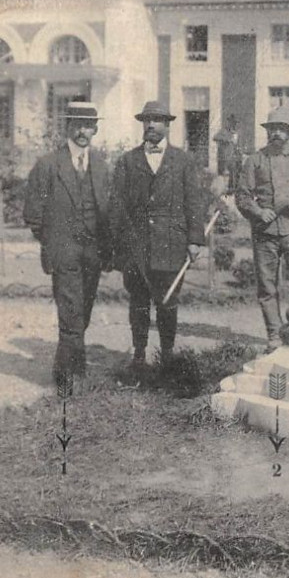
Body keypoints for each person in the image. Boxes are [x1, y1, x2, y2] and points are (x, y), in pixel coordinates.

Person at [110, 100, 207, 376]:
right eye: (147, 120)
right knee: (138, 302)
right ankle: (138, 356)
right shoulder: (127, 161)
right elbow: (116, 204)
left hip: (171, 244)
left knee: (167, 302)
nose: (151, 125)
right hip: (136, 246)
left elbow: (194, 202)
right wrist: (120, 244)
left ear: (167, 125)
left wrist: (195, 240)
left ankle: (167, 355)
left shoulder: (183, 162)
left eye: (157, 120)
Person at [23, 100, 111, 392]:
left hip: (92, 252)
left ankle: (76, 364)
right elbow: (33, 213)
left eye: (88, 125)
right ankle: (66, 377)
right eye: (77, 125)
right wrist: (52, 242)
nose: (83, 131)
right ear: (68, 127)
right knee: (70, 311)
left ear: (95, 129)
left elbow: (107, 209)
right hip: (64, 251)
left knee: (83, 310)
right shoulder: (48, 164)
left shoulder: (99, 165)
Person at [236, 107, 289, 352]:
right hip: (265, 231)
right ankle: (273, 335)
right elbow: (242, 196)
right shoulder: (255, 160)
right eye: (273, 129)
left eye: (282, 129)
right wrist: (258, 212)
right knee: (267, 286)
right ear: (268, 131)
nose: (277, 134)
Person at [212, 113, 244, 192]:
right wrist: (227, 139)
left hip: (236, 156)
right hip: (226, 157)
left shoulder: (238, 133)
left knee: (236, 173)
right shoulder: (224, 131)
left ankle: (234, 189)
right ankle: (226, 189)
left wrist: (241, 152)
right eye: (232, 122)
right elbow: (215, 137)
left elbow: (239, 144)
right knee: (226, 174)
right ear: (229, 122)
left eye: (236, 123)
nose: (234, 124)